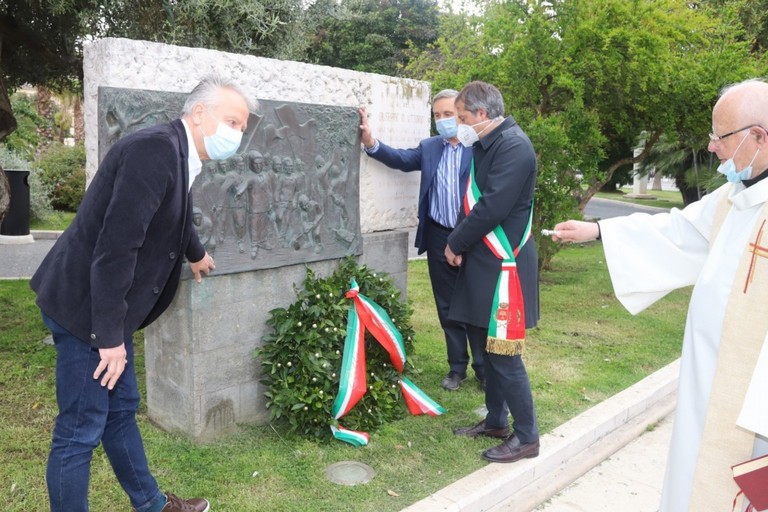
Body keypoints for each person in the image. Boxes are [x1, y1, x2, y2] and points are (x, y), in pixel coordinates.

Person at [30, 74, 253, 512]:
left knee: (119, 409)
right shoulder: (155, 151)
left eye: (243, 126)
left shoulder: (179, 152)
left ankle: (152, 505)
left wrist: (196, 252)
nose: (238, 134)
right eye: (232, 121)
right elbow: (116, 248)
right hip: (85, 310)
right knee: (80, 429)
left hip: (108, 309)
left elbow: (173, 212)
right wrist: (110, 339)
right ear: (200, 113)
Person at [551, 78, 768, 511]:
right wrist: (597, 230)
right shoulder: (734, 197)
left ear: (759, 137)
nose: (711, 147)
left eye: (720, 136)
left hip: (753, 412)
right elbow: (679, 232)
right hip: (708, 384)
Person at [359, 89, 484, 391]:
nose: (442, 121)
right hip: (440, 236)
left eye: (448, 115)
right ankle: (457, 368)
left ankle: (484, 369)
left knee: (478, 306)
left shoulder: (480, 148)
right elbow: (401, 159)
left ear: (462, 115)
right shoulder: (430, 147)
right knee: (448, 307)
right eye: (437, 116)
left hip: (473, 238)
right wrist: (370, 143)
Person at [447, 81, 541, 464]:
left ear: (482, 115)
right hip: (485, 262)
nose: (459, 125)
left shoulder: (514, 146)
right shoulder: (488, 143)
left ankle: (527, 436)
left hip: (505, 267)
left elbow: (491, 208)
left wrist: (455, 242)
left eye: (463, 117)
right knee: (488, 347)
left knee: (504, 354)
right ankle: (497, 421)